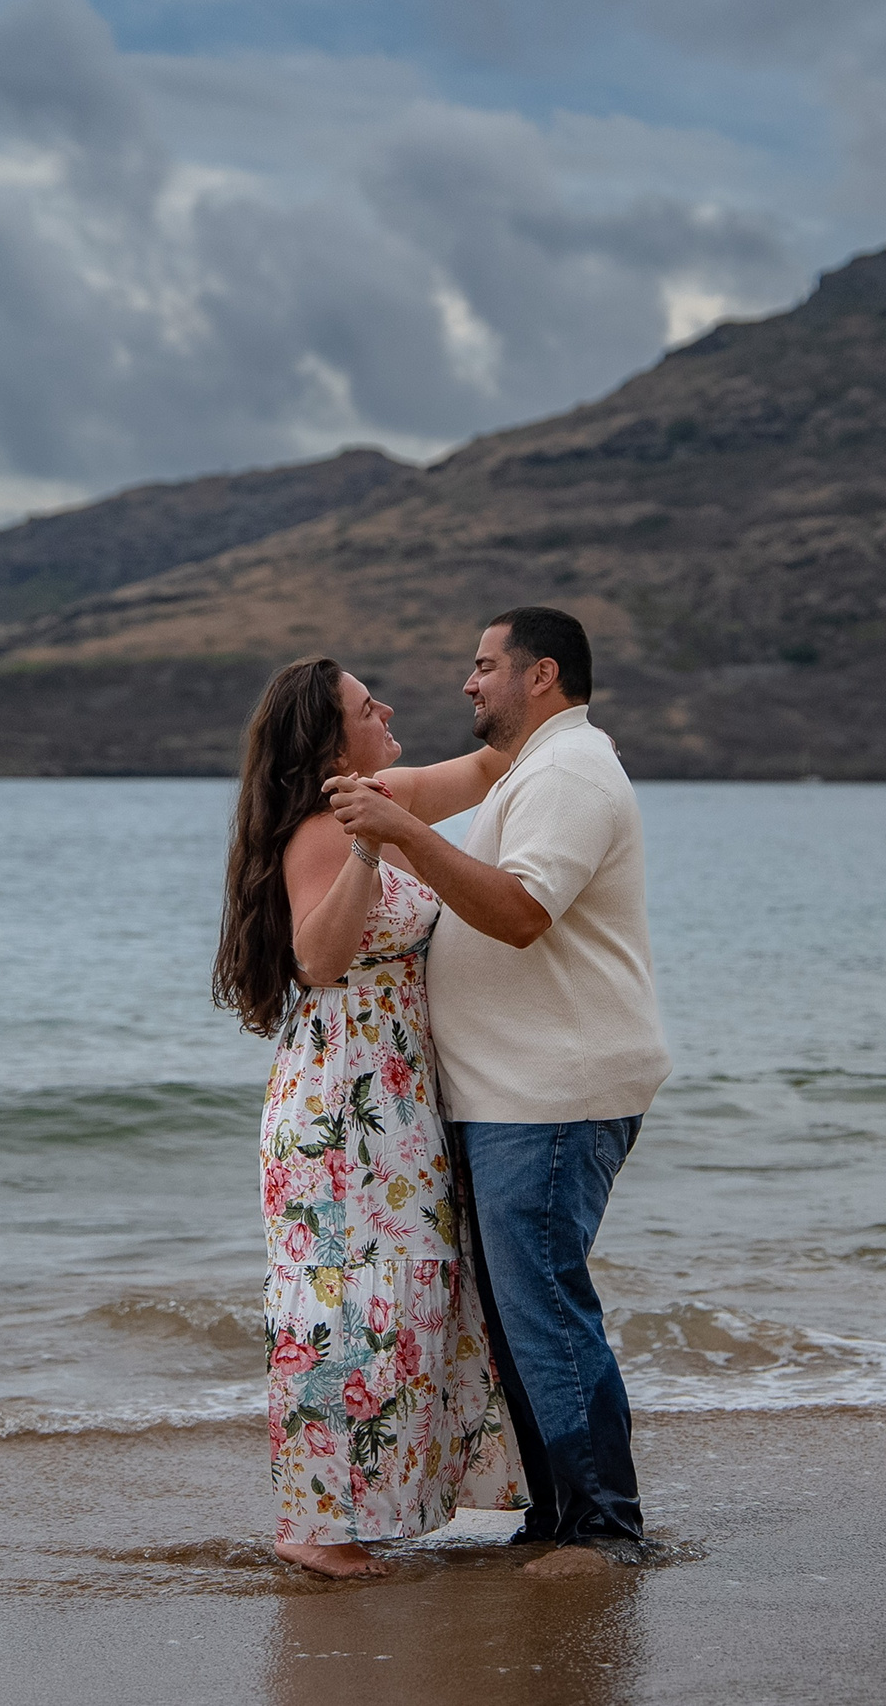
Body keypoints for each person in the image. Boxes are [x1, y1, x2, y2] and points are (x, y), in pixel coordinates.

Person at [327, 607, 671, 1576]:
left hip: (552, 1095)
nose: (467, 684)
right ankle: (556, 1517)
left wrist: (400, 830)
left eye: (483, 667)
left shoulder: (568, 773)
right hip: (515, 1094)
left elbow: (520, 913)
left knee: (547, 1309)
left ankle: (603, 1530)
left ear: (541, 675)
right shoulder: (531, 769)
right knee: (523, 1314)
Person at [212, 657, 526, 1580]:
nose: (386, 707)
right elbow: (317, 957)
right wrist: (365, 844)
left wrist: (563, 734)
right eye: (364, 705)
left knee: (404, 1297)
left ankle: (369, 1506)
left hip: (393, 1095)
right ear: (326, 738)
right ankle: (311, 1525)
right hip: (340, 1104)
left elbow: (482, 771)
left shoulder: (381, 796)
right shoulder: (322, 830)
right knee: (336, 1304)